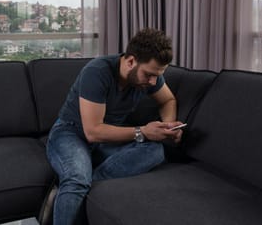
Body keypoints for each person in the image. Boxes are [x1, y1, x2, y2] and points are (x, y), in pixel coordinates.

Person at [45, 28, 184, 225]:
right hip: (71, 132)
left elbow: (168, 100)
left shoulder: (150, 76)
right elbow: (93, 132)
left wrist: (167, 126)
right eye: (149, 75)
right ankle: (76, 184)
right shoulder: (97, 72)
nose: (153, 81)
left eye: (158, 75)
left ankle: (76, 188)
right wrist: (143, 131)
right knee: (76, 178)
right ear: (130, 61)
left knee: (155, 151)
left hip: (110, 138)